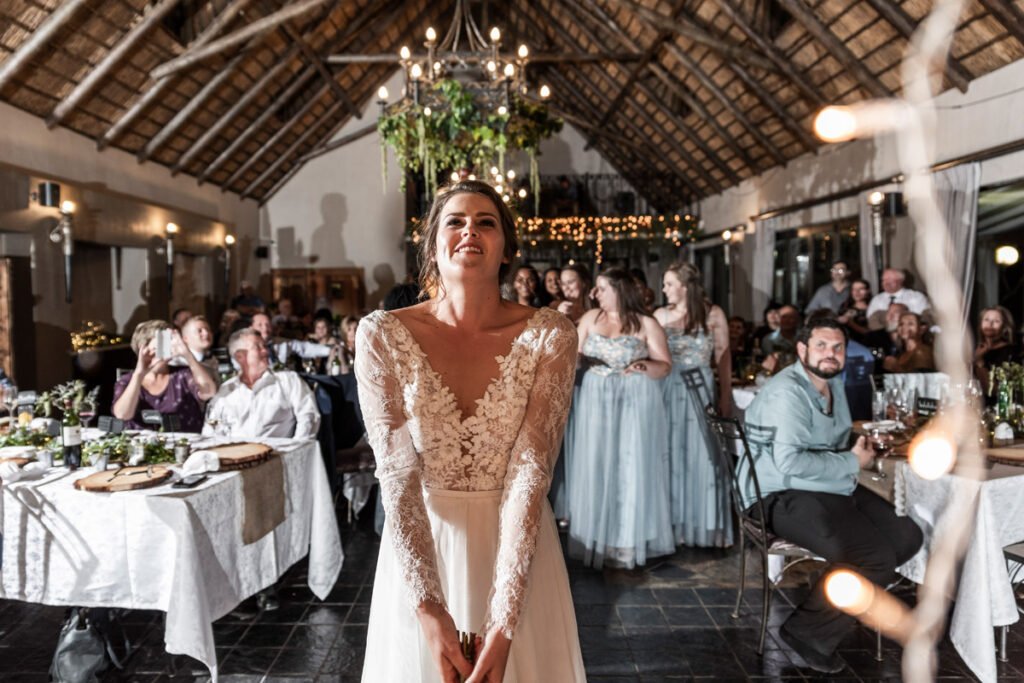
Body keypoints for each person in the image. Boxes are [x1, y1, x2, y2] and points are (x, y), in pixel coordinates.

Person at [356, 180, 586, 682]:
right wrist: (428, 608)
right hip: (421, 547)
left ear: (507, 249)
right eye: (455, 221)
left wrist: (504, 622)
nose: (470, 231)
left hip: (517, 547)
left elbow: (531, 472)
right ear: (432, 244)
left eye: (486, 222)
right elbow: (396, 472)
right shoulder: (381, 334)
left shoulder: (551, 334)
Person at [739, 317, 923, 673]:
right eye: (821, 346)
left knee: (906, 536)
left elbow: (834, 439)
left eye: (837, 347)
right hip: (776, 494)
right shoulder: (787, 392)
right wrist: (853, 462)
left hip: (827, 486)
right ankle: (808, 633)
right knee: (873, 557)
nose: (830, 354)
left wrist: (862, 445)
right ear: (802, 349)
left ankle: (830, 593)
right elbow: (790, 462)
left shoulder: (833, 383)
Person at [566, 267, 674, 569]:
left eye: (602, 288)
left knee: (629, 465)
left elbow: (665, 365)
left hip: (633, 401)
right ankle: (595, 538)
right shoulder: (591, 319)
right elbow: (572, 356)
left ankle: (626, 540)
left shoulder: (646, 323)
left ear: (619, 290)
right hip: (595, 399)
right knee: (597, 462)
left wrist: (644, 366)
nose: (595, 293)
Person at [654, 263, 733, 548]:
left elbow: (723, 356)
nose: (664, 289)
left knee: (703, 454)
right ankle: (672, 526)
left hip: (700, 390)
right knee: (670, 453)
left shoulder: (713, 314)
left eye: (669, 283)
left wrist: (725, 396)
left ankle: (704, 524)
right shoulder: (660, 315)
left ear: (685, 287)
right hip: (667, 388)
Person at [203, 328, 320, 439]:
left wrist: (296, 447)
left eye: (264, 346)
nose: (265, 351)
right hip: (235, 451)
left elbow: (308, 415)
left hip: (277, 452)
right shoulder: (227, 391)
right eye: (257, 347)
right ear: (240, 356)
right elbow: (211, 430)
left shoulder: (288, 381)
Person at [112, 320, 217, 432]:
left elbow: (209, 392)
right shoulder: (128, 381)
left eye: (166, 346)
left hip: (184, 440)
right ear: (143, 349)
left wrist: (188, 355)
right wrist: (139, 375)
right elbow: (122, 415)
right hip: (142, 442)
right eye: (158, 347)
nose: (163, 353)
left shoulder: (182, 375)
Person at [251, 312, 330, 367]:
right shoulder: (246, 346)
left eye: (267, 324)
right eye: (260, 325)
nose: (265, 328)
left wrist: (330, 350)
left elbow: (305, 348)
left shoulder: (282, 343)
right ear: (251, 327)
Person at [866, 268, 932, 330]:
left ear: (900, 281)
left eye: (890, 280)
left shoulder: (916, 297)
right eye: (884, 280)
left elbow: (924, 318)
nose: (886, 283)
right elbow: (871, 320)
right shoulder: (877, 299)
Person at [974, 306, 1018, 392]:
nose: (990, 324)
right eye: (986, 319)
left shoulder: (1011, 352)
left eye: (996, 321)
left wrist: (979, 361)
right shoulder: (976, 348)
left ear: (1004, 326)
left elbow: (994, 390)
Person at [179, 315, 220, 382]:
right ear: (186, 339)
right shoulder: (180, 363)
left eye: (208, 330)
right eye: (199, 331)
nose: (206, 333)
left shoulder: (212, 359)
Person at [761, 305, 800, 373]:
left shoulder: (805, 337)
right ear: (778, 319)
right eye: (784, 317)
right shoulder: (769, 340)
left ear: (797, 319)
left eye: (791, 317)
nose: (787, 320)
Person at [837, 278, 872, 345]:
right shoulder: (845, 306)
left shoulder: (872, 308)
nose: (857, 292)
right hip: (845, 343)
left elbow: (871, 333)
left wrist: (850, 323)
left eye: (861, 289)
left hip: (865, 344)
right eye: (854, 289)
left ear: (868, 290)